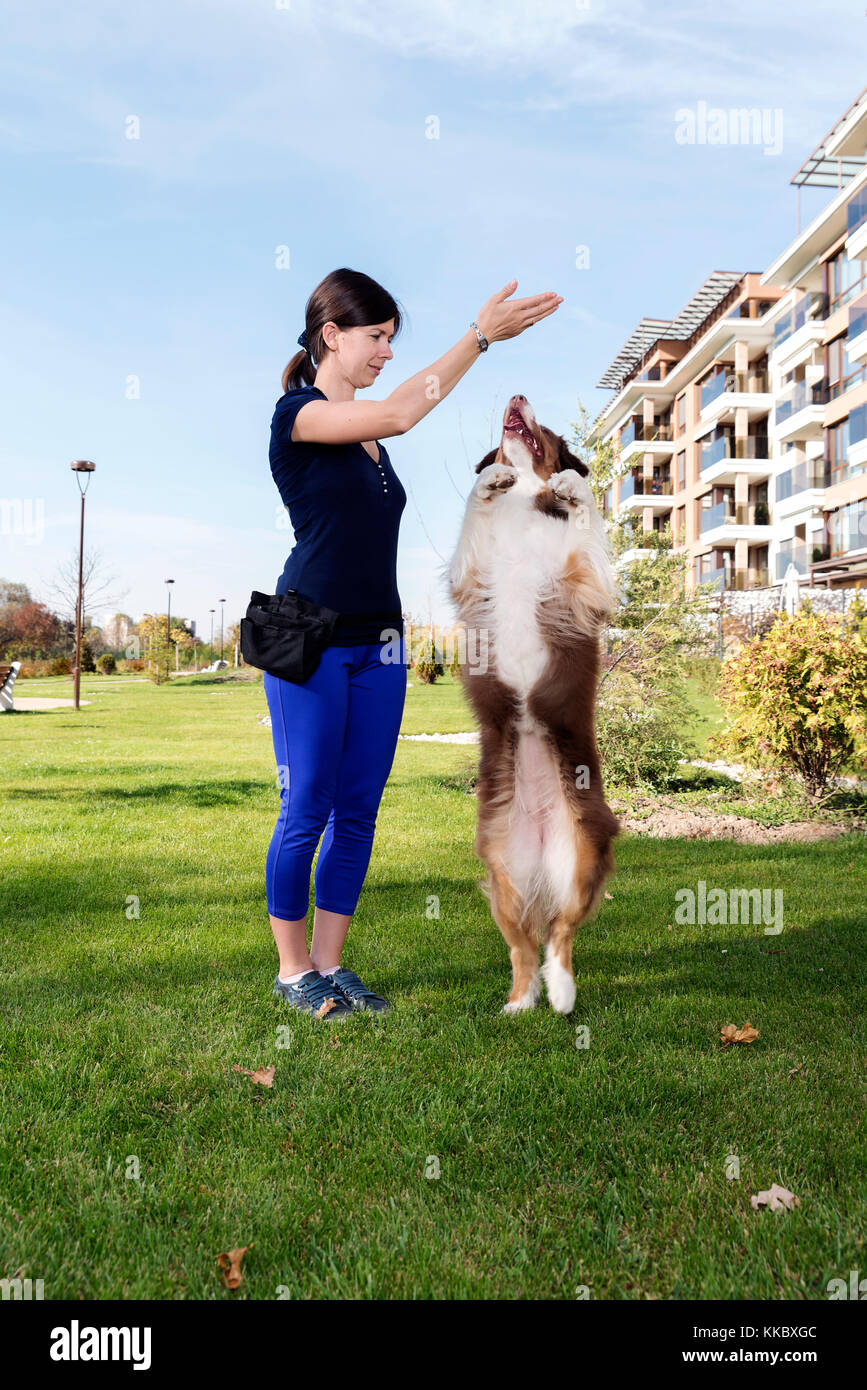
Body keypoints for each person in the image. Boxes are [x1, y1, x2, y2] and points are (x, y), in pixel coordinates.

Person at [266, 266, 563, 1019]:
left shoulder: (371, 443)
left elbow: (391, 419)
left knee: (359, 811)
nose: (387, 352)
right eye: (377, 337)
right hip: (310, 636)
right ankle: (292, 970)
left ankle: (331, 967)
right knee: (308, 808)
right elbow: (400, 414)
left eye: (393, 340)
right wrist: (479, 339)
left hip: (379, 643)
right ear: (331, 336)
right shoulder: (297, 416)